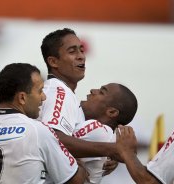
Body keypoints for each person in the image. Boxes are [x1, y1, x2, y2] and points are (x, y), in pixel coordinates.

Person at [0, 63, 86, 184]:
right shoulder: (37, 130)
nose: (44, 97)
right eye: (40, 91)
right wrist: (80, 161)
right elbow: (76, 180)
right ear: (22, 98)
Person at [38, 29, 122, 170]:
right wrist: (112, 149)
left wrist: (99, 160)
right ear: (53, 61)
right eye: (72, 52)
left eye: (81, 50)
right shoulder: (59, 91)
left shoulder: (62, 92)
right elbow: (52, 139)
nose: (81, 56)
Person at [74, 83, 138, 183]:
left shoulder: (98, 129)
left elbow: (54, 140)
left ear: (112, 112)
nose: (92, 90)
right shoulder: (106, 135)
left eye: (101, 92)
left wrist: (114, 152)